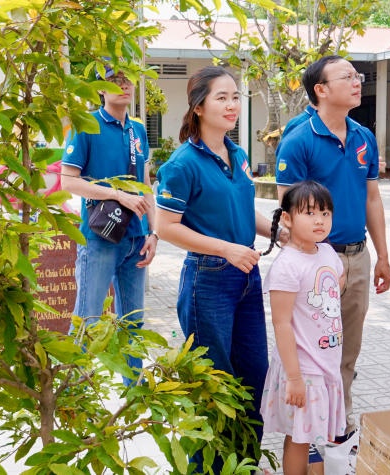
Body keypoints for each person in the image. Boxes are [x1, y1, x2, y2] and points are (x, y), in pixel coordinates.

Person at [154, 65, 280, 472]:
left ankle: (243, 462)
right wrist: (226, 249)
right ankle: (205, 467)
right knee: (213, 384)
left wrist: (284, 230)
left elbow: (244, 209)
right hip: (208, 280)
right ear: (199, 105)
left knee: (253, 376)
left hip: (246, 274)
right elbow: (166, 226)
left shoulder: (238, 154)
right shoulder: (182, 164)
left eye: (236, 97)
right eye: (222, 97)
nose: (232, 104)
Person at [275, 55, 390, 442]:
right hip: (315, 262)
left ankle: (338, 418)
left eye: (357, 76)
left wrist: (383, 256)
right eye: (346, 77)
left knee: (346, 347)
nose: (357, 82)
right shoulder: (298, 141)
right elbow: (287, 208)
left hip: (357, 257)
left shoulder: (364, 137)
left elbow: (371, 199)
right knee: (313, 345)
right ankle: (304, 427)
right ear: (320, 90)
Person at [61, 64, 156, 386]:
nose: (124, 87)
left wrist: (154, 232)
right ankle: (74, 392)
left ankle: (134, 390)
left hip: (136, 238)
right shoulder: (86, 125)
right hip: (100, 238)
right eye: (115, 82)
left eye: (128, 80)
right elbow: (68, 182)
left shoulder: (138, 130)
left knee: (133, 320)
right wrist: (117, 195)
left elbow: (145, 184)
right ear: (101, 88)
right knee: (86, 318)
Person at [260, 180, 346, 475]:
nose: (319, 220)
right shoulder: (287, 265)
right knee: (299, 439)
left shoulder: (327, 253)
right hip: (304, 370)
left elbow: (338, 280)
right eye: (309, 213)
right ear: (287, 218)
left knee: (317, 437)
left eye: (325, 213)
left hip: (326, 365)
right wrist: (294, 378)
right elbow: (281, 324)